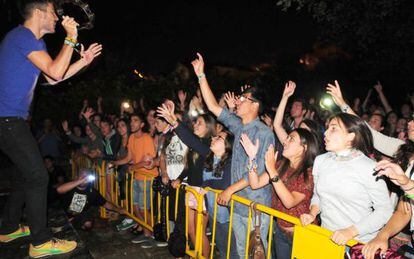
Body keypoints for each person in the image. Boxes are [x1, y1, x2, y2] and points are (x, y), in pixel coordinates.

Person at [0, 0, 101, 257]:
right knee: (38, 176)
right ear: (38, 12)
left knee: (26, 175)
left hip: (12, 120)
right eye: (52, 12)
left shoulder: (33, 42)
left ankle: (10, 227)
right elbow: (56, 72)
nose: (56, 17)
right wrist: (71, 37)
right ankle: (41, 242)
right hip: (7, 119)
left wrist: (83, 61)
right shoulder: (23, 36)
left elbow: (54, 77)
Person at [191, 53, 276, 257]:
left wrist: (229, 190)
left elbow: (257, 174)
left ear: (255, 105)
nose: (237, 101)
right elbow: (213, 107)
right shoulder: (239, 126)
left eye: (242, 99)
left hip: (254, 206)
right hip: (238, 203)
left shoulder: (263, 133)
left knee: (255, 252)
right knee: (240, 250)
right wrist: (201, 75)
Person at [300, 113, 393, 245]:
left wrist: (350, 231)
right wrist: (312, 213)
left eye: (333, 128)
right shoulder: (321, 161)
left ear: (351, 136)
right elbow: (318, 195)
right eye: (327, 128)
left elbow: (385, 210)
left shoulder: (370, 167)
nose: (325, 133)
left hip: (357, 243)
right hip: (327, 237)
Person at [240, 127, 319, 259]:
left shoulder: (309, 173)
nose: (285, 142)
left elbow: (289, 202)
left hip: (302, 232)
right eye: (287, 138)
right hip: (281, 230)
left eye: (291, 139)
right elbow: (255, 183)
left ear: (303, 148)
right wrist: (252, 158)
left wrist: (272, 170)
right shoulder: (281, 165)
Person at [58, 169, 125, 230]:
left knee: (88, 224)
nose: (84, 177)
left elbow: (105, 203)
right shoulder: (70, 186)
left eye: (86, 176)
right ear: (76, 177)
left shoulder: (92, 191)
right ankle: (70, 223)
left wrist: (118, 210)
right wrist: (79, 181)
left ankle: (75, 224)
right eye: (81, 175)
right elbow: (59, 190)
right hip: (63, 213)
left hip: (79, 215)